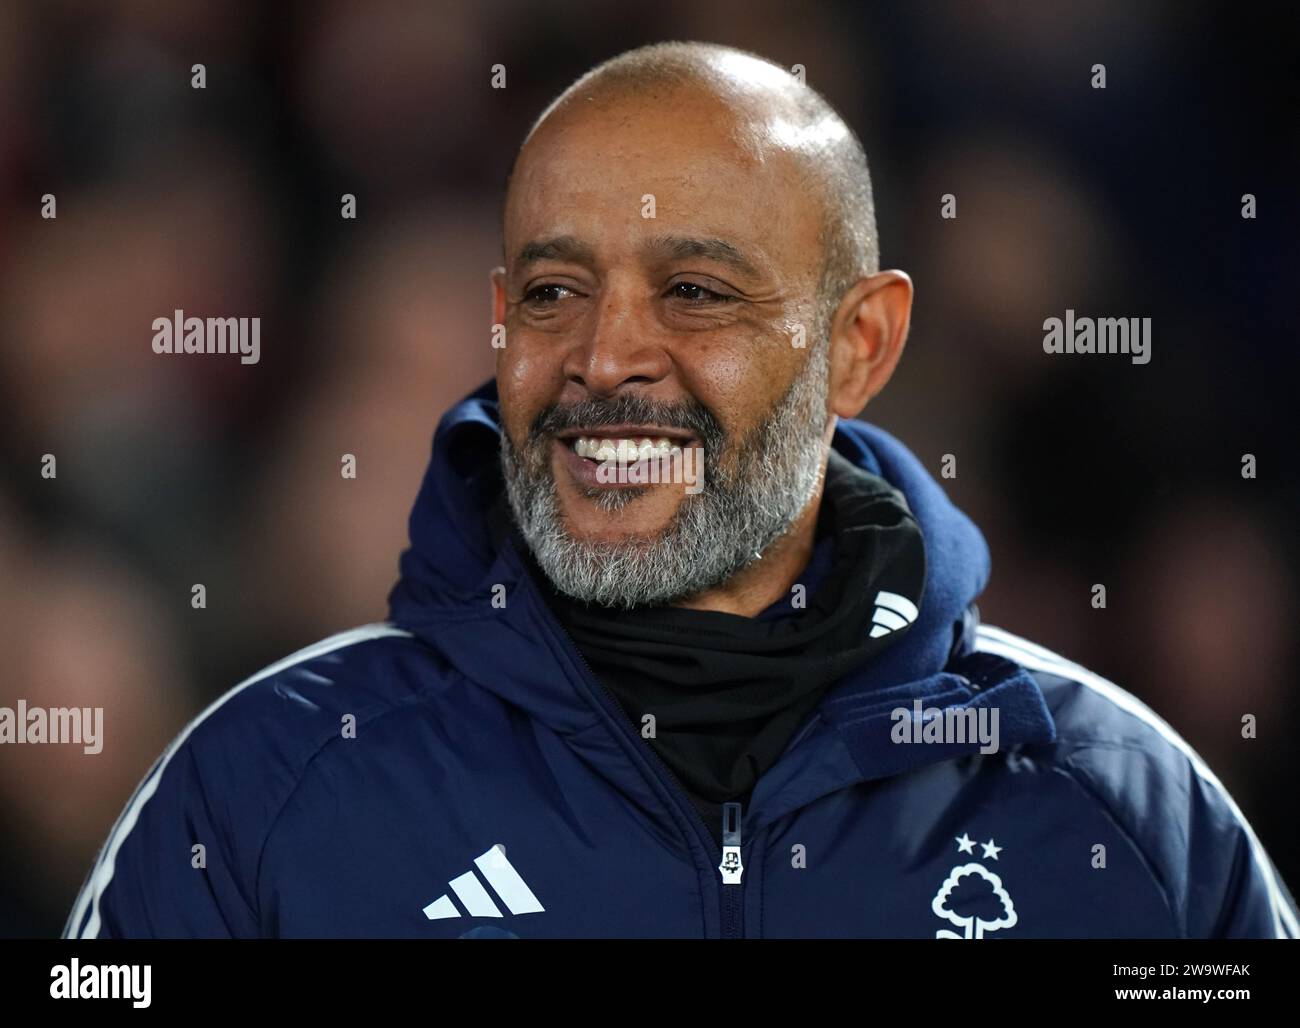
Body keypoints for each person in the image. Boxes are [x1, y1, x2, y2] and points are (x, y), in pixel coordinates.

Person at [64, 41, 1297, 939]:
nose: (604, 360)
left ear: (858, 347)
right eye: (553, 292)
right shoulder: (264, 784)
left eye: (695, 292)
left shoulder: (1118, 804)